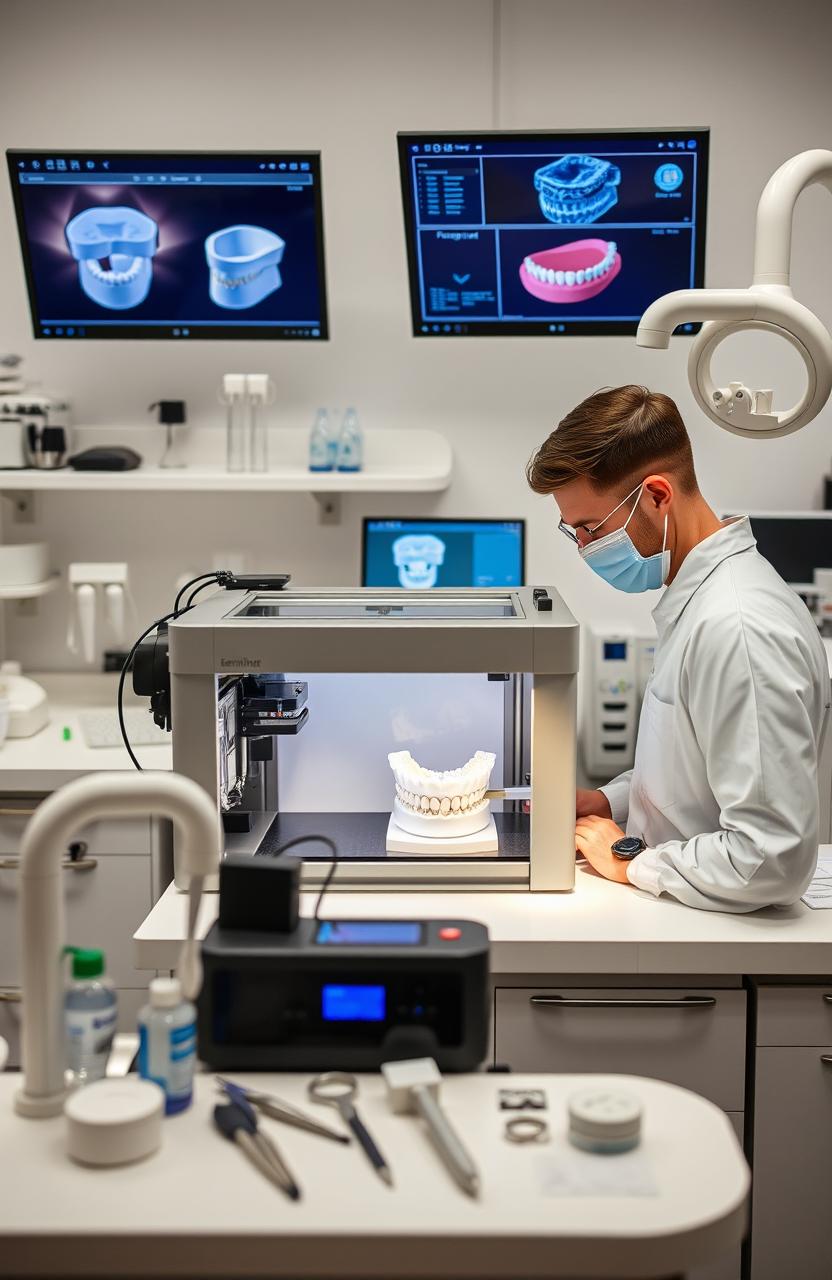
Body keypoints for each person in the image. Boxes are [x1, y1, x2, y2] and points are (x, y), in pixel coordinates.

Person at [526, 385, 831, 912]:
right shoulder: (700, 602)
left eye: (590, 528)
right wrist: (608, 801)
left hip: (726, 931)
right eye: (571, 530)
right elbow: (696, 775)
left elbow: (769, 858)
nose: (584, 548)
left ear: (657, 495)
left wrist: (630, 862)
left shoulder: (738, 628)